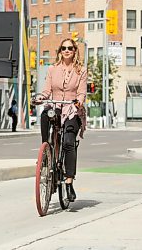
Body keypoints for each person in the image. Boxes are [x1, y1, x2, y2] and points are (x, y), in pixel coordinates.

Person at [32, 38, 87, 201]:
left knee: (69, 142)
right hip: (56, 106)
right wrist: (40, 98)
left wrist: (79, 102)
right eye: (64, 48)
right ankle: (46, 151)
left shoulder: (81, 70)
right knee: (44, 115)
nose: (67, 50)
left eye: (70, 48)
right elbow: (47, 90)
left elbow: (82, 92)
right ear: (60, 51)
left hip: (72, 109)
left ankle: (69, 182)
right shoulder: (52, 69)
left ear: (75, 50)